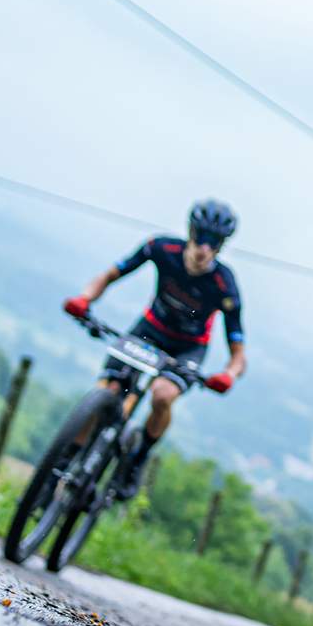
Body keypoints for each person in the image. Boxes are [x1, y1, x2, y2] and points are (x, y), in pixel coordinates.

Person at [61, 199, 246, 498]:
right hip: (149, 331)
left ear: (221, 246)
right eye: (201, 237)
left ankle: (138, 458)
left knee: (162, 395)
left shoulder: (224, 284)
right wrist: (84, 299)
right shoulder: (161, 248)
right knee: (110, 389)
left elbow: (238, 350)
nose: (204, 248)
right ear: (191, 232)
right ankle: (63, 462)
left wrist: (229, 375)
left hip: (188, 348)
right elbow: (109, 275)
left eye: (214, 242)